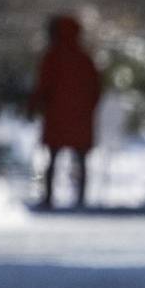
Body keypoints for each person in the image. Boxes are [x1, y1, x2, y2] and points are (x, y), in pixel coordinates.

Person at [28, 15, 102, 210]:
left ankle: (49, 198)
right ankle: (81, 198)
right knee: (81, 160)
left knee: (52, 158)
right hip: (80, 119)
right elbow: (96, 88)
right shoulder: (85, 58)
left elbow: (42, 86)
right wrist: (89, 109)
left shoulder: (52, 57)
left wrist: (33, 107)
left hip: (56, 118)